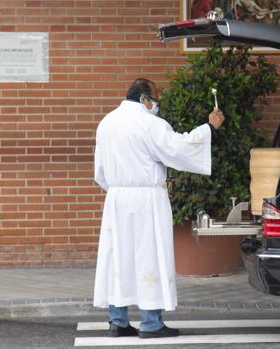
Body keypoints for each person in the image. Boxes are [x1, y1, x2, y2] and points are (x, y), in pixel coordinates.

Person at [93, 78, 224, 339]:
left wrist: (120, 188)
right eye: (155, 100)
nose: (156, 106)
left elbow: (100, 172)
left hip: (117, 198)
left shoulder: (106, 122)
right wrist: (209, 128)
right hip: (146, 199)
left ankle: (117, 321)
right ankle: (151, 323)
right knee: (148, 255)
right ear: (144, 99)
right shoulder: (149, 124)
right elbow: (177, 148)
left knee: (120, 256)